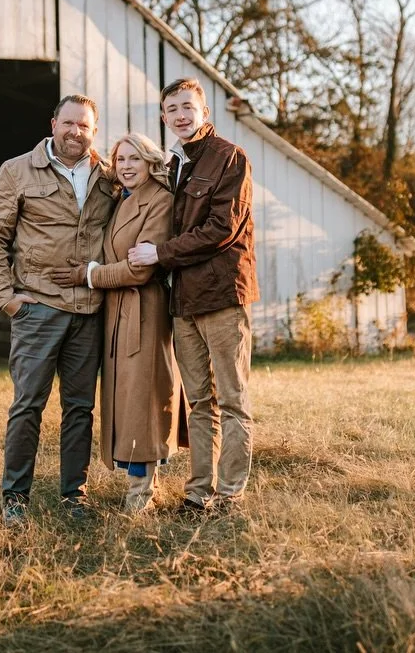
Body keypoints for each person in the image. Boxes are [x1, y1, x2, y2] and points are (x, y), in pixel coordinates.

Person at [0, 94, 118, 525]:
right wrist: (7, 299)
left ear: (94, 131)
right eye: (69, 123)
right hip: (37, 309)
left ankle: (74, 497)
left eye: (85, 126)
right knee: (28, 405)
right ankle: (14, 498)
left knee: (80, 408)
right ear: (53, 123)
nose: (76, 132)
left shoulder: (108, 177)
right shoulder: (17, 170)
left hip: (89, 310)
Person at [128, 78, 258, 514]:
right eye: (172, 109)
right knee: (199, 401)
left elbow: (222, 228)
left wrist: (160, 254)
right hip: (183, 301)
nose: (181, 115)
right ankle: (198, 492)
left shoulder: (229, 158)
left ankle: (230, 494)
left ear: (204, 111)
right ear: (163, 117)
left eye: (188, 106)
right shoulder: (172, 165)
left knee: (232, 398)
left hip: (222, 295)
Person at [50, 132, 180, 513]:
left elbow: (139, 271)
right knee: (124, 400)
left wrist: (90, 275)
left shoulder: (160, 201)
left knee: (142, 399)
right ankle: (141, 484)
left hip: (144, 309)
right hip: (117, 312)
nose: (125, 166)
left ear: (150, 162)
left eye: (134, 159)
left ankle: (142, 494)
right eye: (120, 159)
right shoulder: (121, 198)